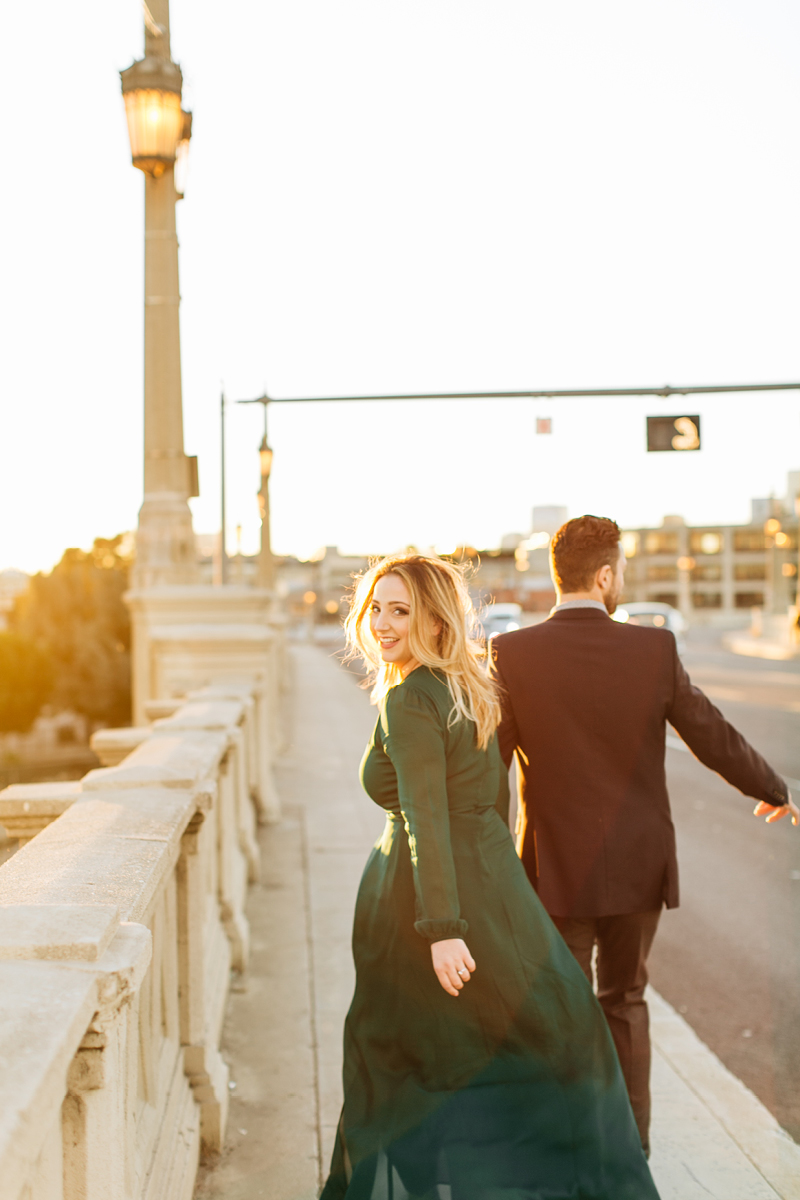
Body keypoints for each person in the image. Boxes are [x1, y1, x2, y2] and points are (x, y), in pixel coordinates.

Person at [322, 552, 659, 1200]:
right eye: (377, 608)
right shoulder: (468, 686)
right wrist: (502, 895)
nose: (383, 623)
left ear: (438, 621)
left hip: (423, 901)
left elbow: (425, 817)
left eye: (401, 610)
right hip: (488, 883)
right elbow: (489, 803)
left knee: (404, 1061)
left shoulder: (410, 699)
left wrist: (443, 929)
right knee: (527, 1032)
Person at [491, 514, 798, 1156]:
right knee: (624, 1000)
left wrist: (486, 855)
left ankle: (571, 1153)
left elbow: (487, 761)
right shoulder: (652, 649)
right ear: (605, 576)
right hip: (637, 866)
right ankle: (631, 1154)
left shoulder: (512, 653)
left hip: (554, 870)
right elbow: (710, 732)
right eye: (621, 571)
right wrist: (773, 788)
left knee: (565, 1009)